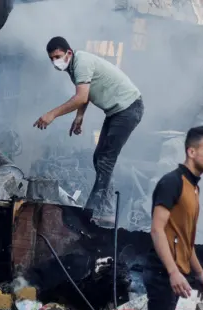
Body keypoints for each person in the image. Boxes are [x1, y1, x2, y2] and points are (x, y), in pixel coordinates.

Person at [34, 36, 144, 226]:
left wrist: (51, 114)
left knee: (105, 160)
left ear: (69, 52)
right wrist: (79, 117)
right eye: (52, 59)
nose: (55, 62)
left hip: (128, 109)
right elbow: (86, 94)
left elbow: (81, 96)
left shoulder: (81, 62)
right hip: (117, 111)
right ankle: (106, 211)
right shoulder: (73, 66)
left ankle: (90, 213)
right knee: (98, 158)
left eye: (58, 57)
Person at [135, 126, 203, 310]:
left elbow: (185, 240)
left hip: (172, 272)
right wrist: (173, 272)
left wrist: (200, 274)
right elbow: (157, 229)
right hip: (161, 272)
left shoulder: (194, 188)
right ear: (191, 152)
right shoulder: (172, 182)